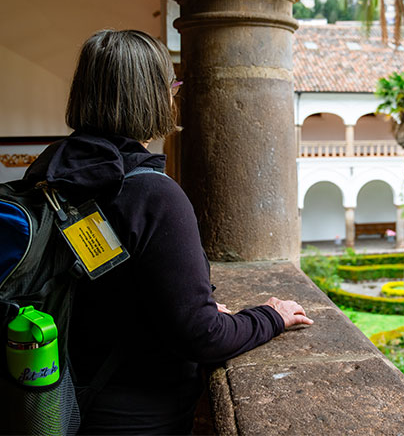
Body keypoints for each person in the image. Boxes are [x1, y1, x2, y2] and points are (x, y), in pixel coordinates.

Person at [24, 29, 313, 434]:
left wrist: (190, 312)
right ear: (155, 96)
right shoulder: (150, 194)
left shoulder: (50, 174)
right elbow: (201, 336)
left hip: (56, 398)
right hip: (132, 419)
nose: (174, 95)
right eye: (171, 85)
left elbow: (106, 294)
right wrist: (271, 317)